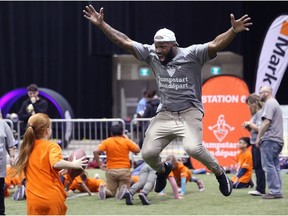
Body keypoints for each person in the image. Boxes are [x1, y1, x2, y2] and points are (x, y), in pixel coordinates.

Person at [83, 4, 252, 197]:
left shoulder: (192, 54)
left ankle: (220, 173)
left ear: (174, 44)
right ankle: (164, 169)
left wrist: (233, 30)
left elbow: (215, 44)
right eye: (156, 46)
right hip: (165, 113)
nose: (159, 50)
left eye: (163, 46)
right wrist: (102, 25)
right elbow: (125, 41)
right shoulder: (151, 54)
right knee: (146, 154)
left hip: (190, 111)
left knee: (192, 148)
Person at [13, 113, 88, 215]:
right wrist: (74, 164)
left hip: (33, 199)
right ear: (47, 130)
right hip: (51, 197)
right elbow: (56, 163)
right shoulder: (51, 146)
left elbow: (41, 168)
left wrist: (63, 170)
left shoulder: (27, 147)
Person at [93, 124, 140, 200]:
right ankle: (124, 191)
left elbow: (95, 151)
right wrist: (127, 139)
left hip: (111, 170)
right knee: (125, 188)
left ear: (111, 133)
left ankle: (105, 190)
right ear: (122, 133)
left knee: (111, 192)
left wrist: (100, 164)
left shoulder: (107, 141)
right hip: (124, 170)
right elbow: (137, 150)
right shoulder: (126, 141)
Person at [256, 86, 284, 199]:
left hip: (270, 138)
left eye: (261, 92)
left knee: (268, 165)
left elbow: (267, 122)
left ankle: (274, 191)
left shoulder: (269, 103)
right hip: (277, 139)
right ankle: (277, 190)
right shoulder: (275, 103)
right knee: (275, 165)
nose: (259, 95)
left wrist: (259, 137)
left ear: (267, 93)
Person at [242, 93, 266, 196]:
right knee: (257, 166)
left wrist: (249, 124)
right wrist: (248, 126)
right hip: (254, 142)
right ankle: (260, 188)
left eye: (249, 104)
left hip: (259, 143)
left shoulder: (260, 113)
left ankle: (260, 189)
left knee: (259, 166)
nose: (248, 107)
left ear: (255, 103)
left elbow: (261, 128)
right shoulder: (255, 114)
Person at [0, 118, 16, 215]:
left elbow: (10, 143)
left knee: (0, 190)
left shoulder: (3, 124)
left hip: (0, 163)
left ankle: (1, 212)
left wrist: (12, 157)